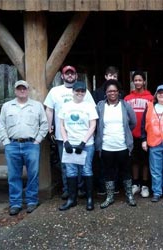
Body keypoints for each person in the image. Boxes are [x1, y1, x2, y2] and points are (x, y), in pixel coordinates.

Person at [0, 80, 48, 216]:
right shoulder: (7, 106)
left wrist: (37, 140)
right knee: (14, 176)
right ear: (15, 91)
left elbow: (44, 124)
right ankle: (15, 203)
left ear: (28, 90)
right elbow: (1, 125)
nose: (22, 91)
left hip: (31, 145)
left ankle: (32, 201)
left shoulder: (37, 106)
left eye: (24, 88)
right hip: (12, 145)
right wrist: (6, 142)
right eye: (19, 89)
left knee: (33, 174)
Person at [44, 65, 95, 200]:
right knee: (66, 164)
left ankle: (80, 189)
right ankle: (67, 189)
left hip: (82, 135)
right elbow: (49, 109)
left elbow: (92, 110)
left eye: (72, 73)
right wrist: (50, 128)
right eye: (67, 73)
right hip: (63, 136)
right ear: (62, 76)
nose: (70, 75)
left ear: (76, 75)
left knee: (81, 164)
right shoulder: (55, 91)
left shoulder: (85, 91)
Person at [95, 80, 137, 208]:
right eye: (109, 91)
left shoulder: (125, 105)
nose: (112, 93)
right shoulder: (100, 106)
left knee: (126, 171)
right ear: (105, 93)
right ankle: (110, 196)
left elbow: (133, 122)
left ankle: (129, 195)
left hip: (123, 145)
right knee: (108, 172)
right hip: (106, 146)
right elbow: (96, 124)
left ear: (118, 92)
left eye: (114, 91)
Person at [57, 82, 98, 211]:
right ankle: (71, 199)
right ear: (73, 91)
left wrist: (83, 142)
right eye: (77, 91)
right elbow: (62, 126)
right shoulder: (65, 106)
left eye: (82, 91)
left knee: (86, 170)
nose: (80, 93)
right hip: (70, 143)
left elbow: (93, 125)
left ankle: (90, 199)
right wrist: (66, 141)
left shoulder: (89, 106)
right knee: (71, 171)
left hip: (86, 144)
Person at [124, 71, 153, 198]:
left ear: (144, 81)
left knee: (145, 161)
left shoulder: (150, 98)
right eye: (135, 80)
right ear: (133, 82)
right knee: (134, 161)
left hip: (146, 135)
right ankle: (136, 184)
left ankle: (145, 185)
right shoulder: (127, 99)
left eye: (140, 80)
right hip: (132, 135)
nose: (138, 82)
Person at [93, 66, 119, 195]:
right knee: (103, 161)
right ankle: (103, 187)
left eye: (114, 76)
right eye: (109, 76)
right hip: (101, 131)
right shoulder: (97, 93)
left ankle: (115, 186)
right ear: (105, 76)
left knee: (116, 161)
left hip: (117, 131)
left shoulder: (121, 93)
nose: (111, 78)